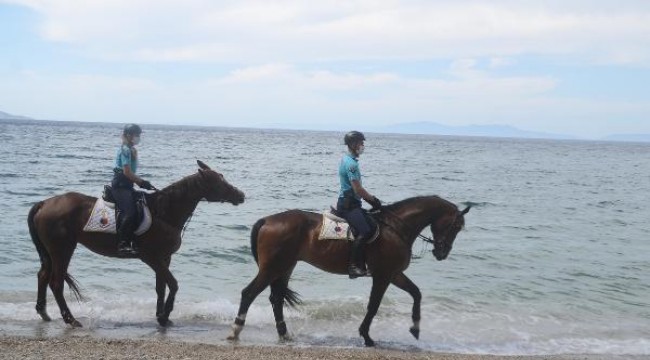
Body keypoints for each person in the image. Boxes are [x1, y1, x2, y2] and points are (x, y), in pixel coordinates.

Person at [336, 131, 382, 279]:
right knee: (366, 231)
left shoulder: (349, 159)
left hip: (353, 203)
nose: (363, 146)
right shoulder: (351, 164)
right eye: (361, 143)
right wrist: (373, 200)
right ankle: (354, 266)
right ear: (353, 144)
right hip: (348, 206)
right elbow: (358, 189)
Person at [112, 124, 155, 256]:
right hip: (120, 186)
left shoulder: (131, 149)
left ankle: (136, 240)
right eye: (137, 135)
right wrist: (142, 183)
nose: (138, 138)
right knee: (129, 212)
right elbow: (127, 172)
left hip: (128, 186)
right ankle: (123, 244)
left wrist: (141, 183)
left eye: (139, 135)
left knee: (141, 205)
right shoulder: (125, 149)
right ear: (129, 135)